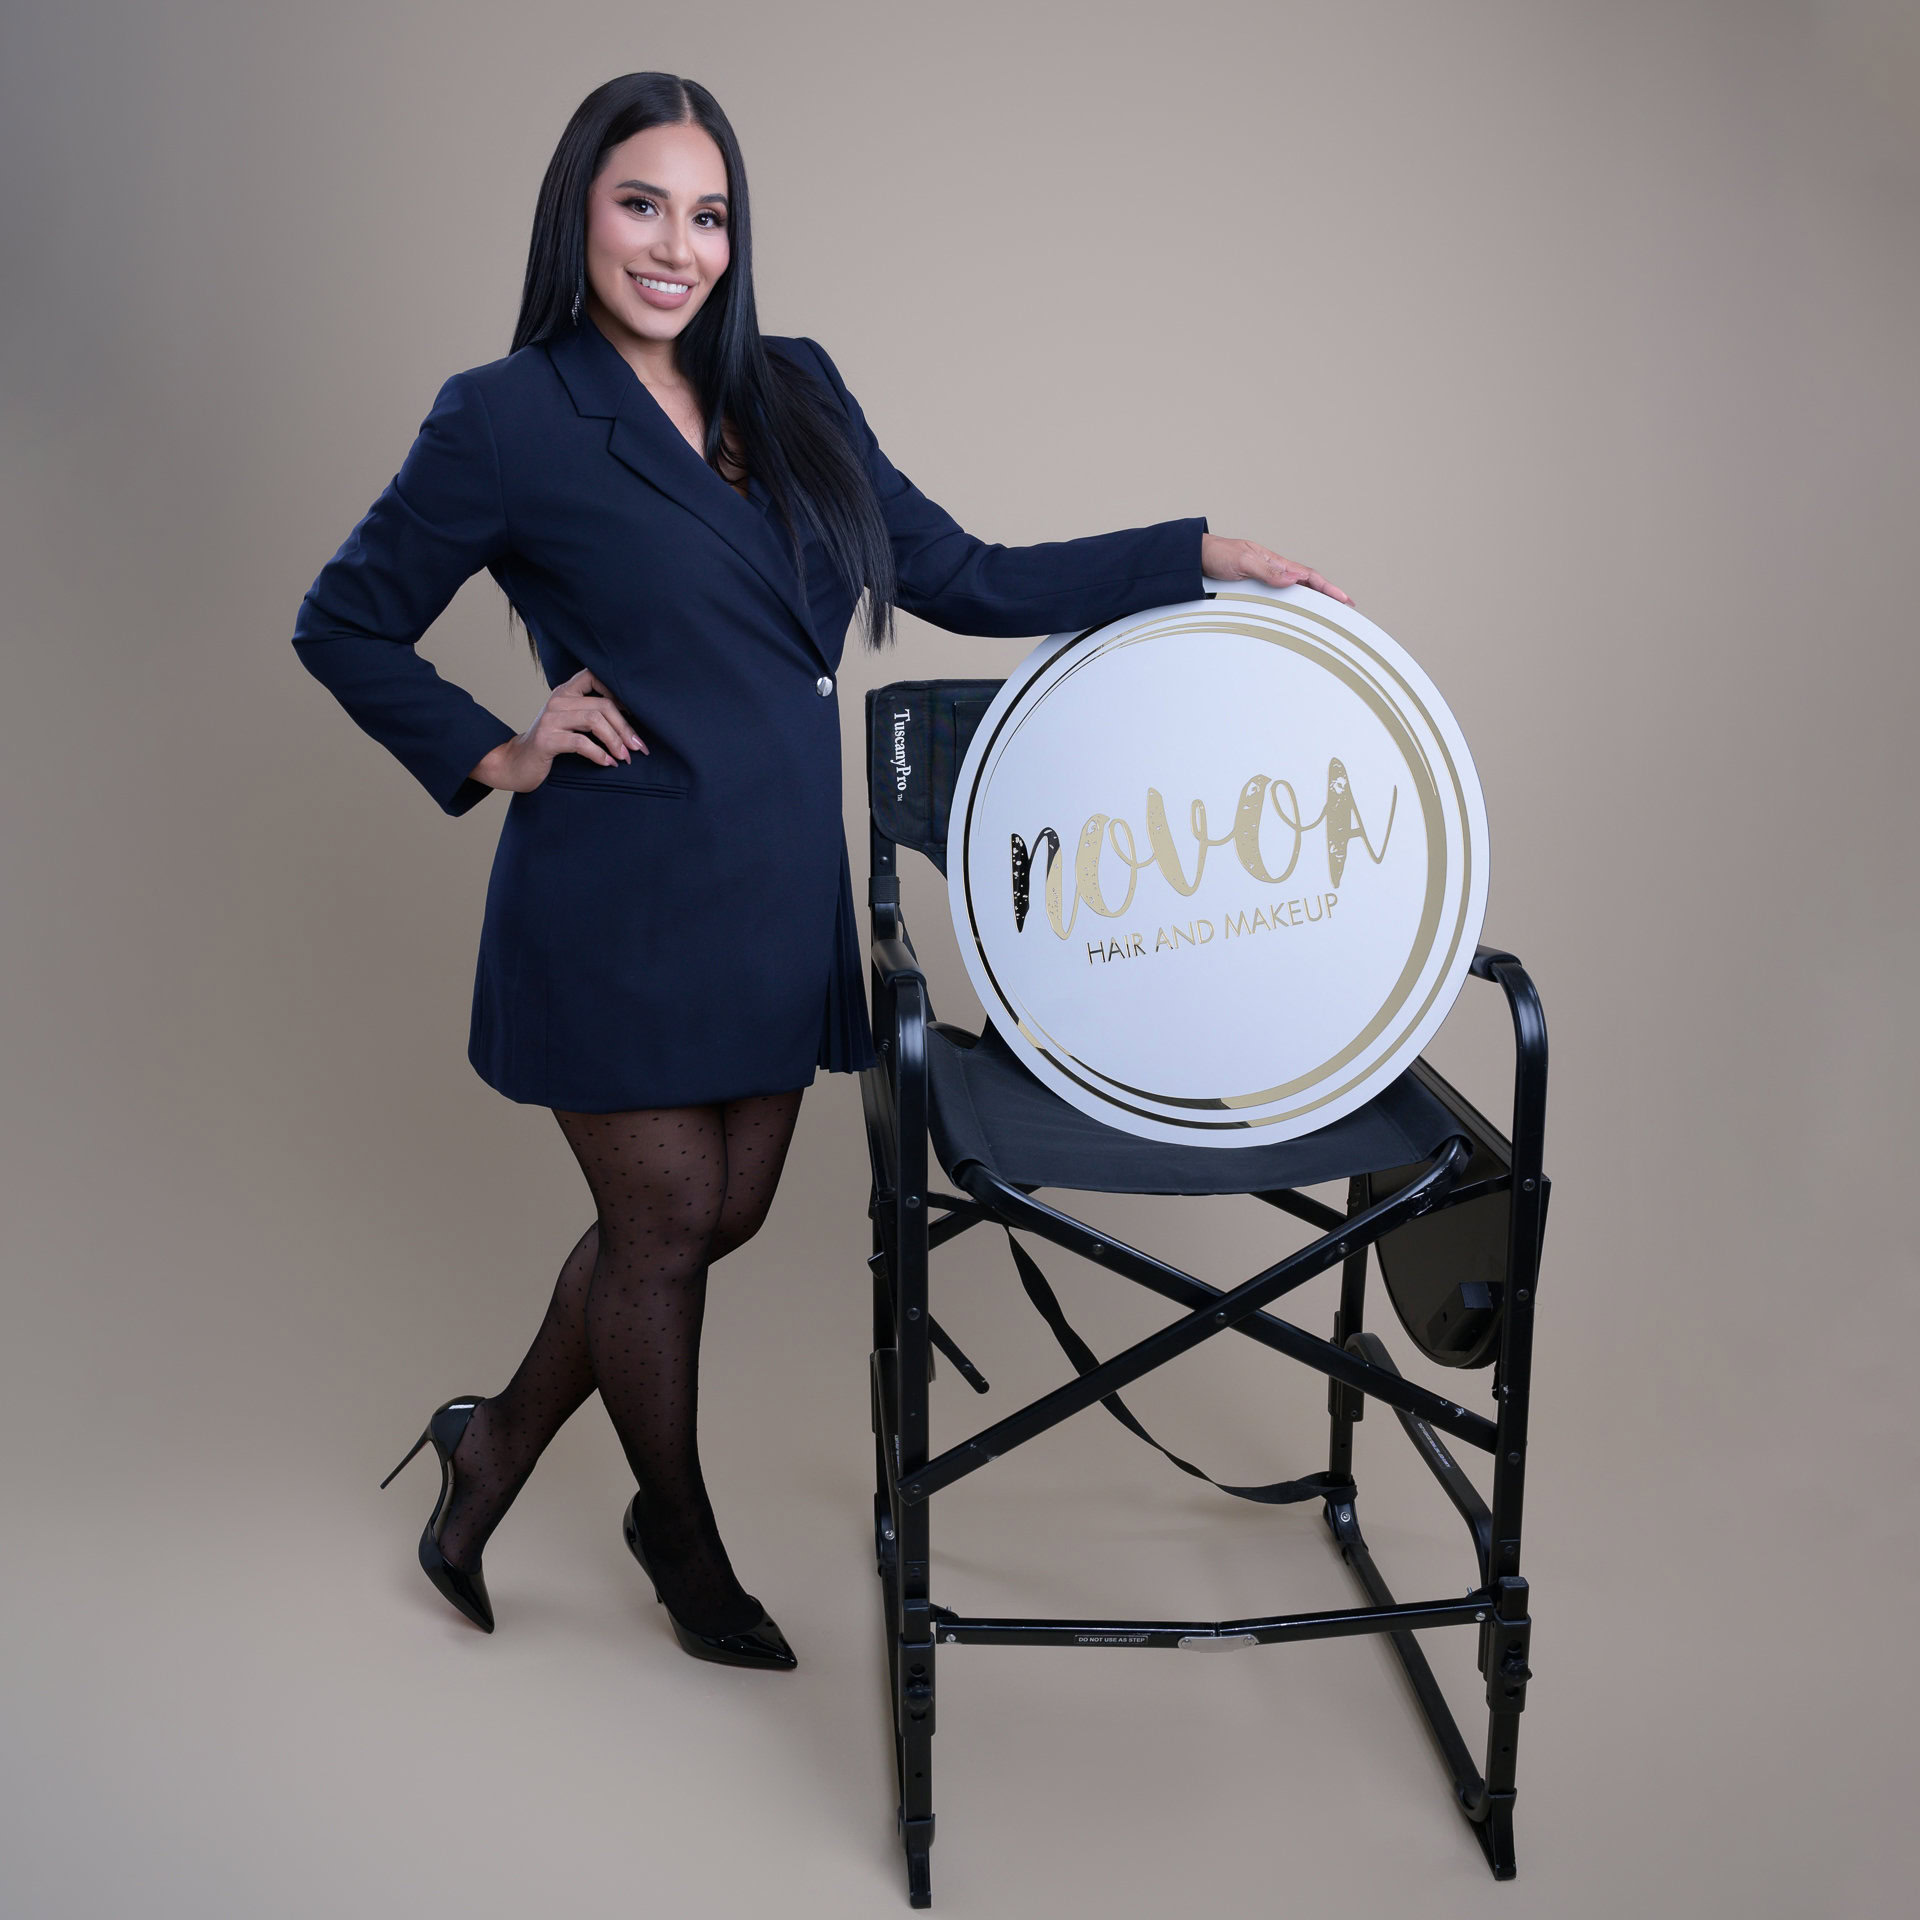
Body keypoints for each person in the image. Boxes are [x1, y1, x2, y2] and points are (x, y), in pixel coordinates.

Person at [295, 71, 1351, 1671]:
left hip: (776, 890)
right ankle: (682, 1540)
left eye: (708, 214)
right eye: (642, 203)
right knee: (657, 1230)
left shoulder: (793, 389)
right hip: (617, 898)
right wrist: (496, 747)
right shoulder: (505, 415)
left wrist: (1192, 556)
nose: (677, 246)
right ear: (578, 209)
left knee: (723, 1213)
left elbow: (959, 572)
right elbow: (345, 619)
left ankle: (492, 1446)